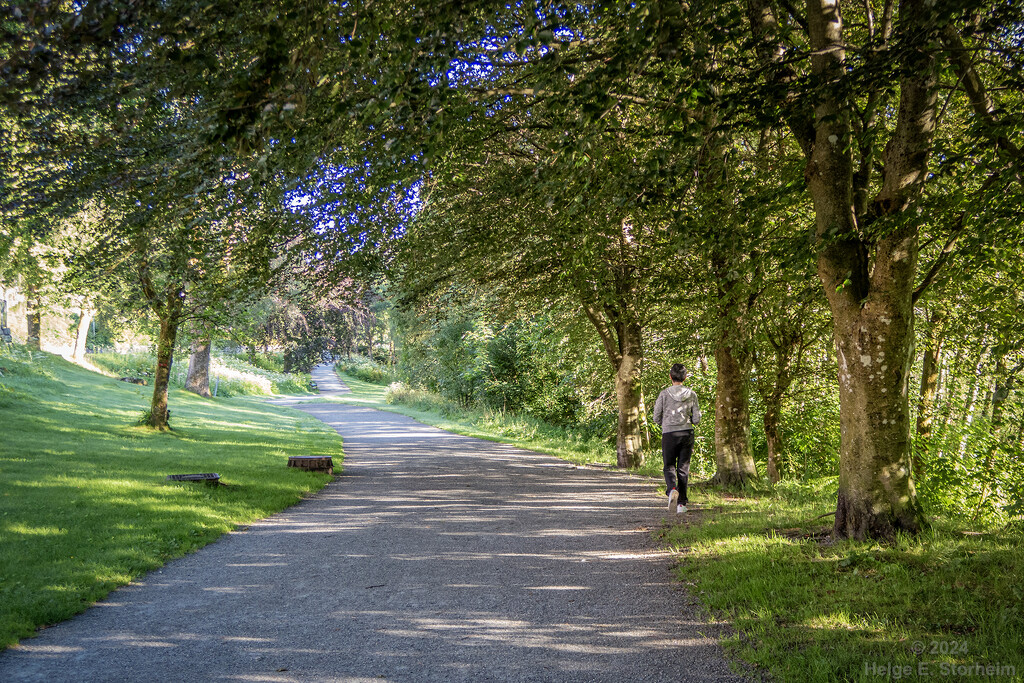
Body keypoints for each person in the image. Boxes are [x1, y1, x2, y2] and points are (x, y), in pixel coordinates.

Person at [652, 363, 701, 514]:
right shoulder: (691, 394)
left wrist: (665, 424)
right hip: (686, 433)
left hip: (669, 434)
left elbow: (656, 417)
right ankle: (682, 504)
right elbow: (697, 419)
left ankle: (672, 489)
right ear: (685, 377)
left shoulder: (664, 394)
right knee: (683, 468)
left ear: (670, 376)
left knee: (669, 466)